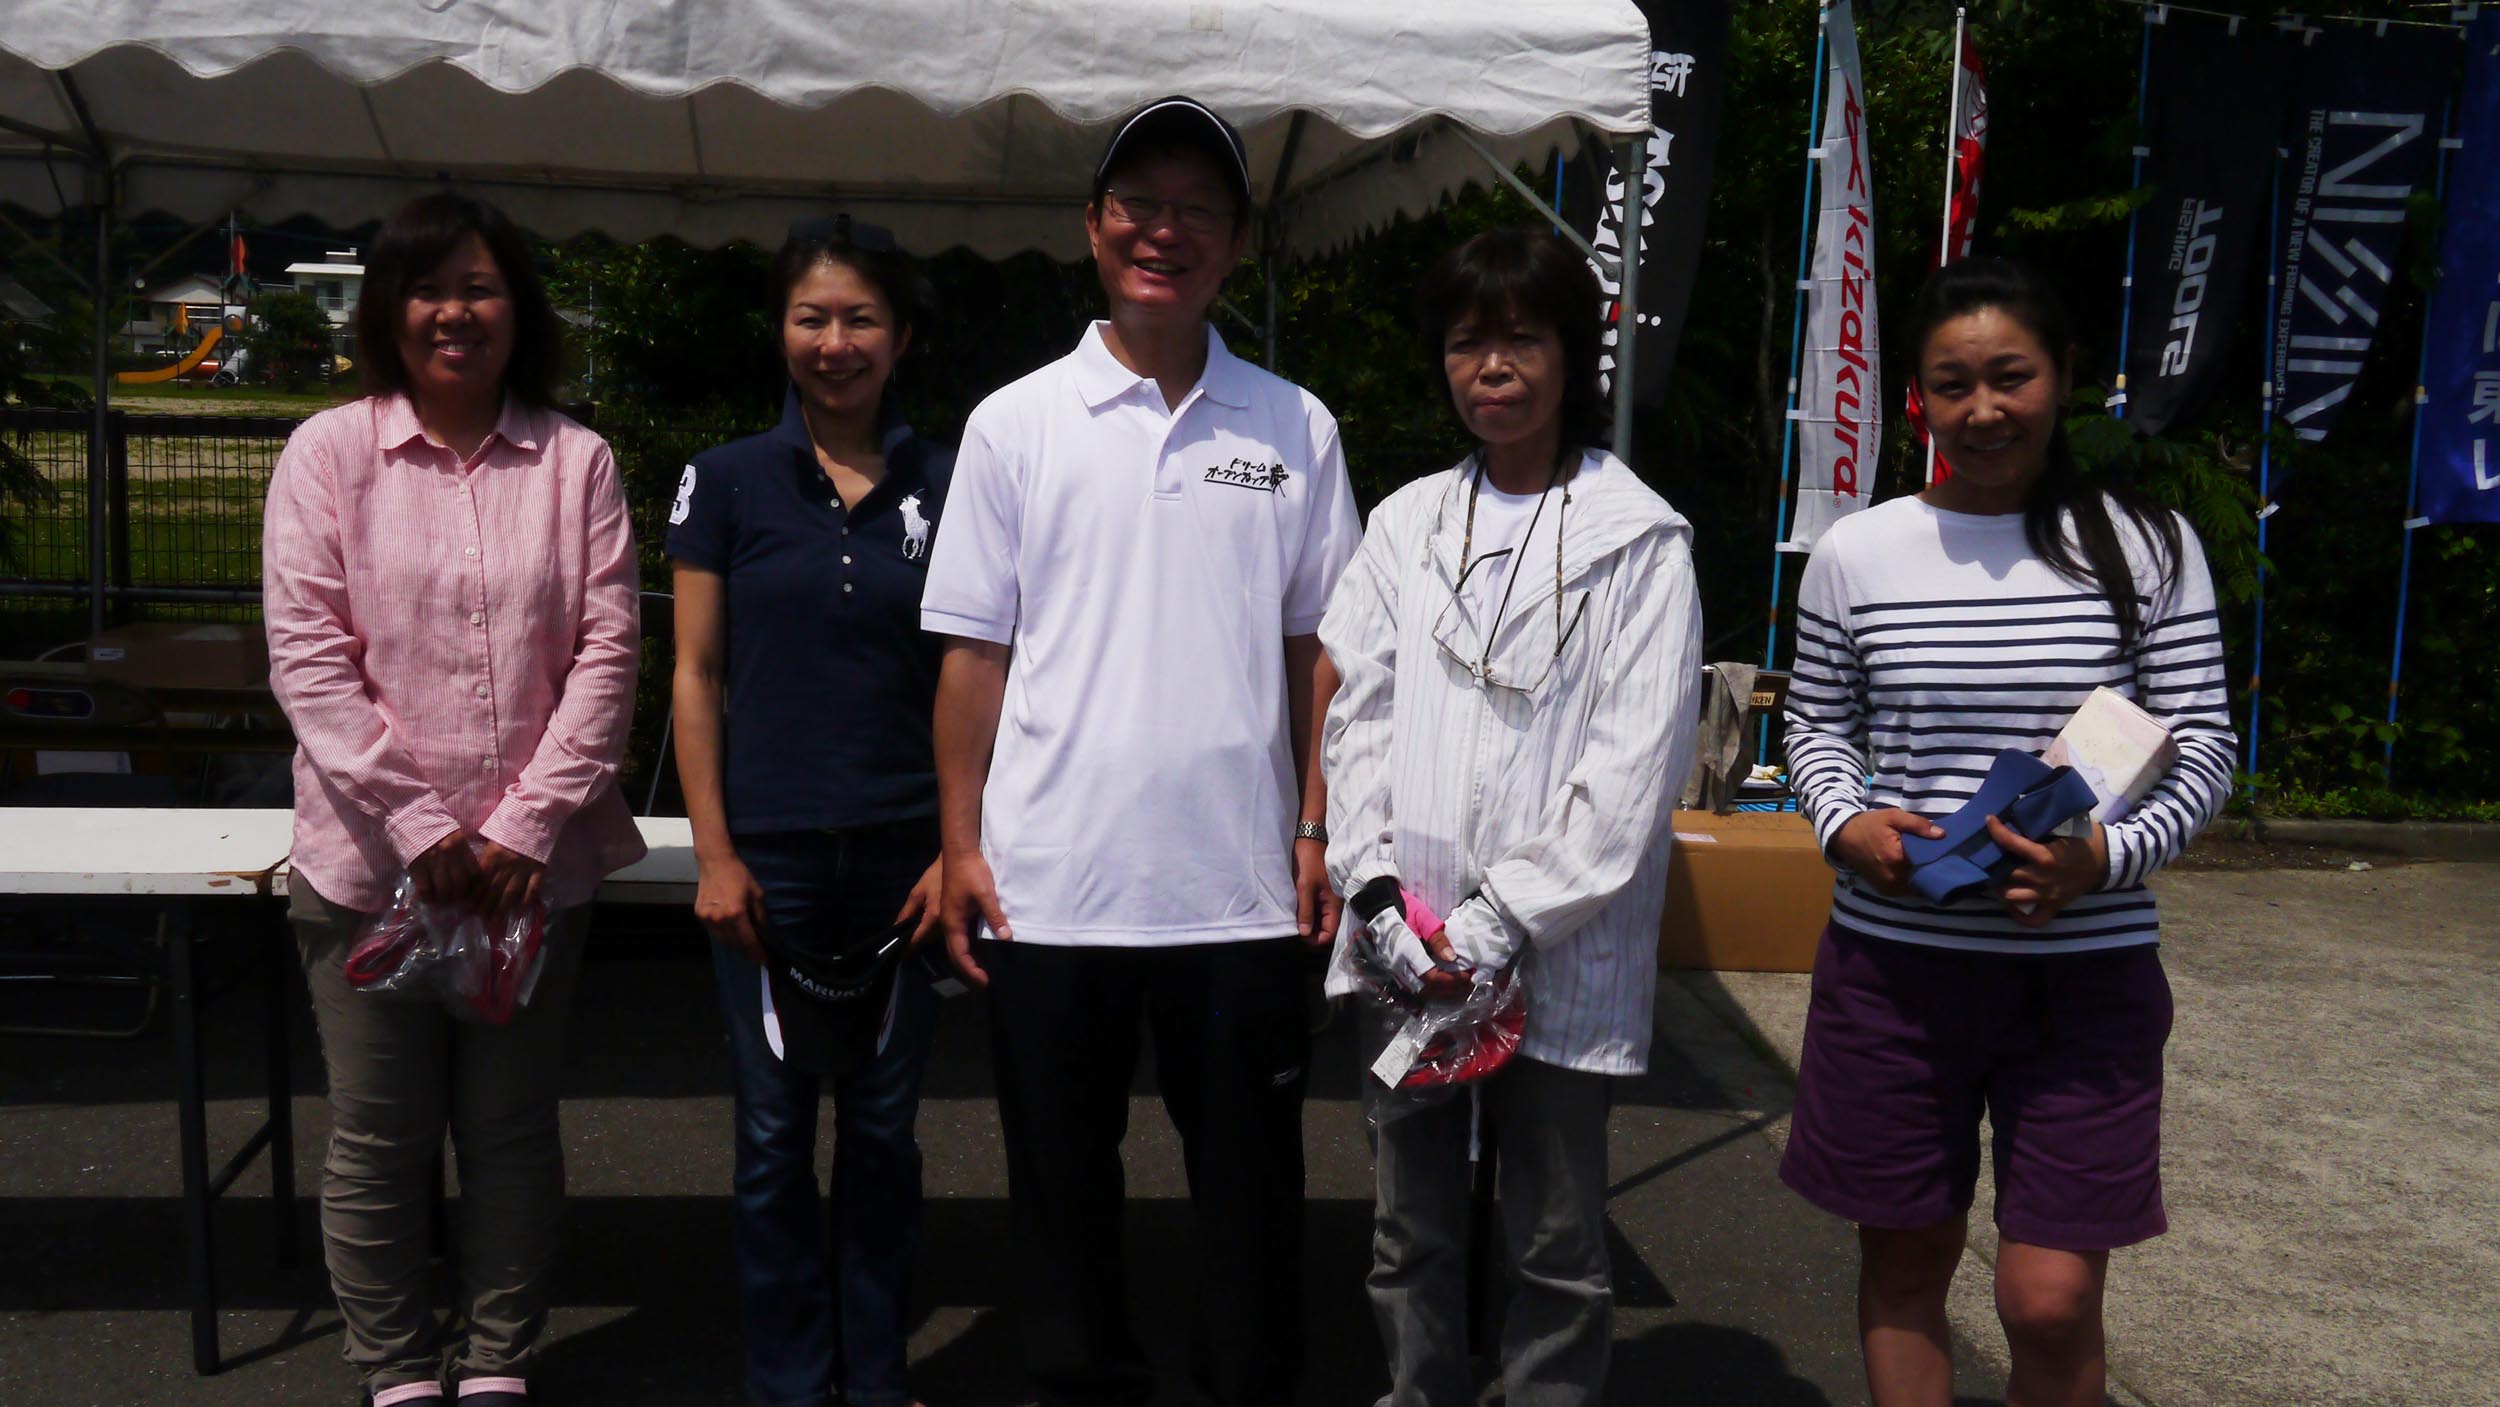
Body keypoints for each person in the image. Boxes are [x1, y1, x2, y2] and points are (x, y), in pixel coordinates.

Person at [920, 96, 1363, 1407]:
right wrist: (958, 844)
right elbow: (972, 656)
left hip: (1240, 888)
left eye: (1197, 211)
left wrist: (1317, 826)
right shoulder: (1015, 422)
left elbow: (1322, 652)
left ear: (1235, 242)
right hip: (1051, 884)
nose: (1165, 231)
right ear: (1094, 225)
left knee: (1252, 1193)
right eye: (1141, 205)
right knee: (1059, 1193)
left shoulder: (1294, 424)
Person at [1778, 256, 2236, 1407]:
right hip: (1895, 969)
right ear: (1917, 401)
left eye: (2011, 377)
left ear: (2065, 376)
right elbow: (1816, 725)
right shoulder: (1856, 553)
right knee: (1905, 1263)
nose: (1983, 409)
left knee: (2049, 1299)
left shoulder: (2149, 546)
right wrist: (1846, 825)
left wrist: (2101, 860)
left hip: (2082, 977)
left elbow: (2202, 749)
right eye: (1952, 385)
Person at [263, 191, 644, 1407]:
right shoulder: (330, 455)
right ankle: (395, 1369)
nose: (454, 312)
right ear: (389, 309)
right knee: (379, 1135)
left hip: (530, 874)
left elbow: (607, 653)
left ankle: (495, 1361)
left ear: (517, 309)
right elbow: (307, 657)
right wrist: (420, 826)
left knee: (509, 1130)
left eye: (479, 287)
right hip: (368, 869)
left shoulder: (576, 462)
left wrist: (525, 824)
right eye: (428, 288)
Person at [1317, 227, 1704, 1407]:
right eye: (1465, 342)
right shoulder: (1406, 524)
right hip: (1409, 943)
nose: (1491, 367)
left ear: (1570, 354)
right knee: (1408, 1227)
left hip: (1555, 945)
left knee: (1556, 1242)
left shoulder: (1639, 540)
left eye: (1521, 339)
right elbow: (1358, 716)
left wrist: (1493, 926)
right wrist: (1376, 896)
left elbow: (1631, 773)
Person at [665, 221, 953, 1407]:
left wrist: (960, 849)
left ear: (902, 338)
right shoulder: (724, 478)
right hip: (769, 858)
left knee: (883, 1131)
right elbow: (694, 675)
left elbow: (984, 675)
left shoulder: (954, 481)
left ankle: (874, 1375)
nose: (835, 343)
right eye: (811, 318)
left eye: (860, 319)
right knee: (774, 1135)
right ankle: (789, 1382)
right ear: (781, 332)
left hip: (906, 855)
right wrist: (715, 854)